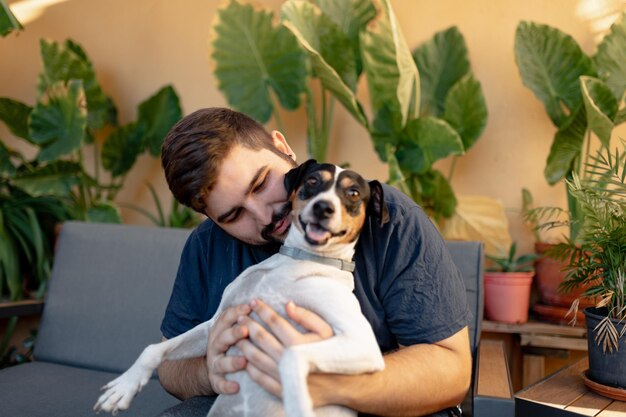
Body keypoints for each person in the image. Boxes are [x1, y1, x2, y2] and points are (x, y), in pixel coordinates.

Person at [156, 107, 472, 417]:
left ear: (283, 148)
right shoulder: (207, 245)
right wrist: (209, 372)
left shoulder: (389, 220)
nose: (266, 216)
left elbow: (452, 370)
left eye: (262, 182)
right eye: (233, 215)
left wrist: (327, 384)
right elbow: (169, 366)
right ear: (213, 219)